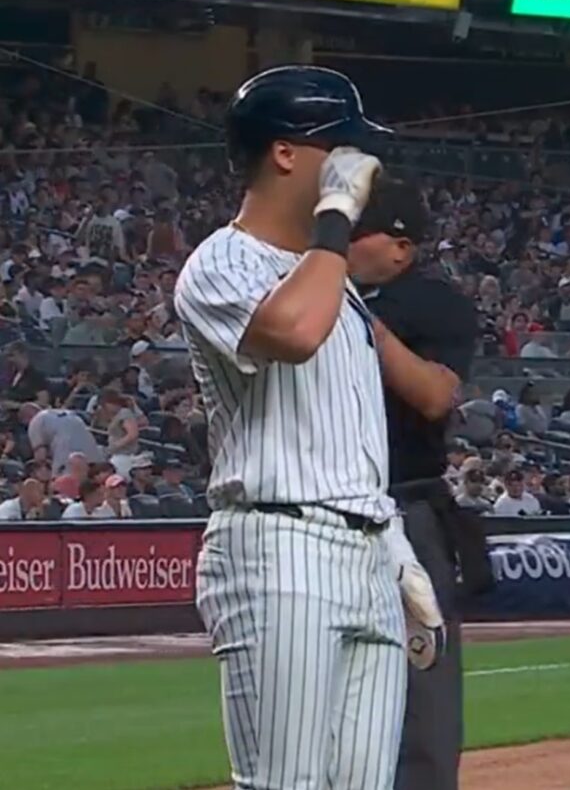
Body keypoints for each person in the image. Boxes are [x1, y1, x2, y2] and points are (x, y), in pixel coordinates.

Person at [175, 65, 443, 790]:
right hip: (278, 546)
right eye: (344, 145)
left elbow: (355, 431)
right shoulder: (220, 261)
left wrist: (391, 544)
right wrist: (334, 219)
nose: (359, 165)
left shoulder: (338, 283)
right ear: (287, 153)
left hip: (364, 550)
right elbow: (292, 331)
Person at [347, 181, 490, 790]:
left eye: (357, 232)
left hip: (407, 506)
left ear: (402, 247)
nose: (340, 242)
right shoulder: (305, 296)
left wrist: (360, 319)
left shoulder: (432, 303)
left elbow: (434, 396)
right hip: (323, 511)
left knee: (422, 695)